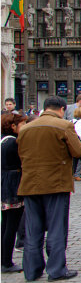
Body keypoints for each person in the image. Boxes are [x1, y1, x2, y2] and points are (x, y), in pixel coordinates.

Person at [17, 96, 81, 281]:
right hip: (56, 183)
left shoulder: (26, 128)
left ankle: (32, 270)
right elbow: (78, 151)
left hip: (30, 184)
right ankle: (56, 269)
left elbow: (21, 154)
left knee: (33, 228)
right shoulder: (64, 126)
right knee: (56, 227)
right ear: (62, 109)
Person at [2, 113, 29, 273]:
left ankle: (4, 259)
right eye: (22, 124)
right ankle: (6, 261)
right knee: (11, 224)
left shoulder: (4, 140)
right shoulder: (12, 142)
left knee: (6, 223)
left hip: (6, 181)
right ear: (13, 126)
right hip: (12, 183)